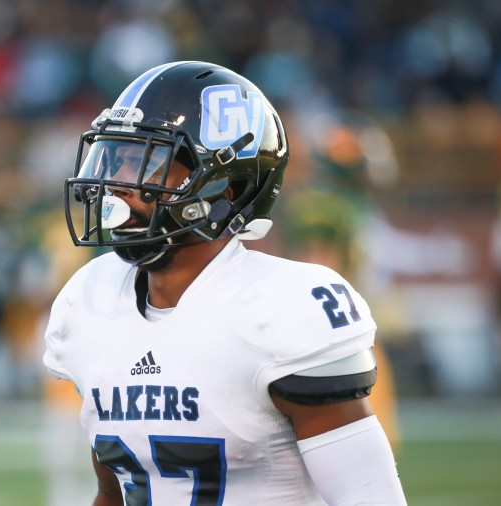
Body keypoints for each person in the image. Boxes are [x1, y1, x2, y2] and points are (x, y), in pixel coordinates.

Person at [42, 61, 406, 505]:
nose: (116, 184)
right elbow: (116, 490)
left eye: (144, 162)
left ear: (223, 188)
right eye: (116, 158)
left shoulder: (281, 311)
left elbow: (369, 498)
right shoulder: (90, 299)